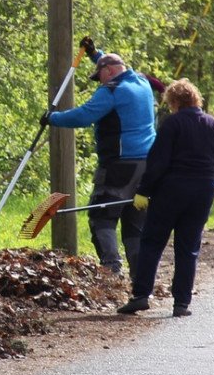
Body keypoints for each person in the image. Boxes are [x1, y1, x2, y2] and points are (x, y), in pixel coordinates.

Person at [45, 41, 157, 274]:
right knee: (135, 224)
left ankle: (112, 270)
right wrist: (96, 55)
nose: (100, 82)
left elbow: (84, 116)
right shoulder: (142, 82)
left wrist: (52, 118)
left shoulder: (112, 91)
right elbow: (116, 66)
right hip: (147, 167)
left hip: (119, 167)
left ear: (110, 72)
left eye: (101, 77)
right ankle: (141, 279)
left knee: (101, 216)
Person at [118, 80, 214, 318]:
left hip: (172, 189)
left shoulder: (172, 124)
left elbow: (158, 161)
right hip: (203, 190)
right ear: (196, 99)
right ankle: (181, 303)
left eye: (170, 103)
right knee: (188, 247)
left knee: (152, 241)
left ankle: (141, 295)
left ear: (175, 102)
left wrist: (144, 190)